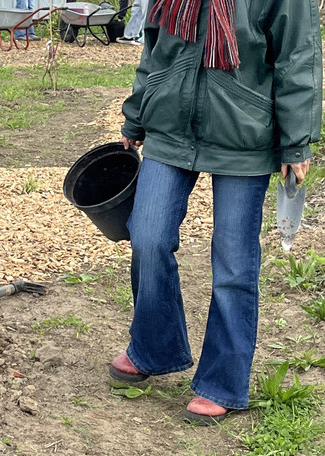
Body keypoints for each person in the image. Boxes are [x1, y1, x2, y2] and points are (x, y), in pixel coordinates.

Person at [111, 0, 321, 425]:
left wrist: (296, 139)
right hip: (170, 127)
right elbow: (154, 44)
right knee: (148, 237)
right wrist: (136, 116)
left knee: (233, 263)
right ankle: (152, 347)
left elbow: (297, 51)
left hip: (246, 131)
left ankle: (221, 382)